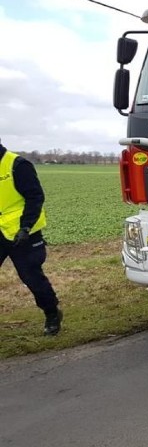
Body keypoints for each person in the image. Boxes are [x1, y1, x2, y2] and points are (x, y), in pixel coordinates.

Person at [0, 138, 62, 335]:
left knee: (31, 277)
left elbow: (35, 197)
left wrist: (25, 227)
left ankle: (52, 313)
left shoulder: (18, 165)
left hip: (23, 234)